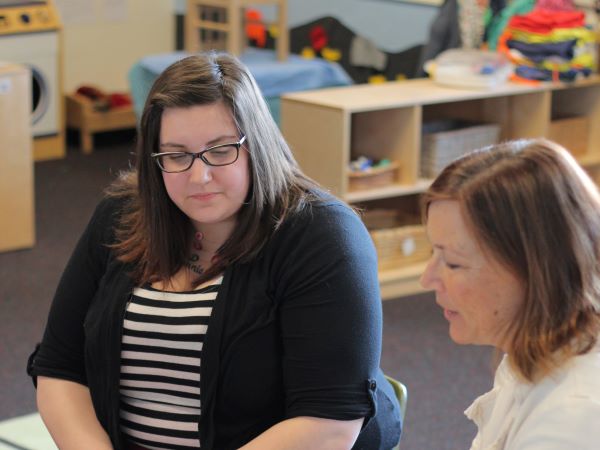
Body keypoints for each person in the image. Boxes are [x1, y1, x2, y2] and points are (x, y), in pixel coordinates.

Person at [27, 52, 402, 450]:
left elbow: (328, 423)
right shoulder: (121, 215)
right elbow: (59, 367)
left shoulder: (321, 236)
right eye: (176, 155)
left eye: (220, 150)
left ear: (255, 143)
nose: (199, 176)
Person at [420, 138, 600, 449]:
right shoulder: (534, 350)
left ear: (535, 270)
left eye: (453, 263)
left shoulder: (574, 419)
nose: (427, 279)